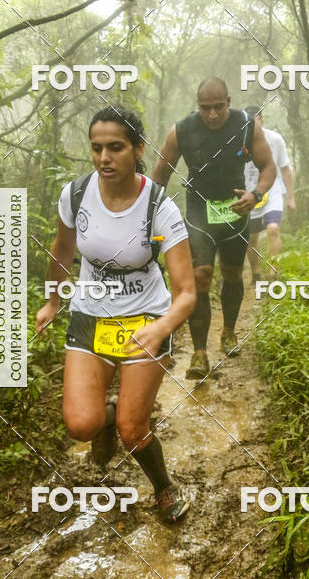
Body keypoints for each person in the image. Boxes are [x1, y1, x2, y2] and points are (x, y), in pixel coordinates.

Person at [36, 106, 196, 524]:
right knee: (80, 425)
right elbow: (63, 250)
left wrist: (161, 329)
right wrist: (53, 300)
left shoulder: (158, 209)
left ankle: (164, 487)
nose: (104, 157)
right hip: (90, 314)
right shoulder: (75, 195)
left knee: (133, 429)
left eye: (115, 147)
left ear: (138, 149)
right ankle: (102, 419)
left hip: (145, 316)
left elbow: (186, 293)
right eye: (97, 148)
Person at [153, 77, 275, 380]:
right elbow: (159, 178)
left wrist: (256, 195)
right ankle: (199, 354)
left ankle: (230, 332)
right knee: (201, 276)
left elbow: (268, 166)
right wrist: (149, 218)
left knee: (233, 273)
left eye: (218, 107)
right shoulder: (181, 130)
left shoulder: (247, 125)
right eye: (205, 108)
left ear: (229, 102)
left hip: (235, 208)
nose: (212, 114)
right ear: (198, 107)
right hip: (199, 210)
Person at [243, 106, 295, 283]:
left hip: (272, 191)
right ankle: (256, 274)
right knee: (251, 238)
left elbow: (286, 169)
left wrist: (291, 197)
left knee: (273, 229)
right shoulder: (238, 142)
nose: (253, 127)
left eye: (256, 121)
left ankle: (273, 274)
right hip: (250, 194)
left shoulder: (275, 139)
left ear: (262, 120)